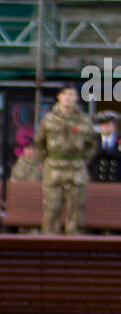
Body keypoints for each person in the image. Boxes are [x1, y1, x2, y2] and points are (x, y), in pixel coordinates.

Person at [34, 82, 98, 235]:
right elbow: (39, 142)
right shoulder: (49, 118)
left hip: (76, 170)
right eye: (65, 94)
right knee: (51, 209)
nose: (68, 98)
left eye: (72, 94)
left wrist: (83, 160)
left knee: (76, 211)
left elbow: (92, 143)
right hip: (53, 170)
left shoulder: (84, 120)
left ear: (76, 98)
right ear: (59, 97)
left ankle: (74, 248)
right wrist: (46, 160)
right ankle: (48, 247)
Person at [89, 111, 121, 182]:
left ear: (115, 125)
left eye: (108, 124)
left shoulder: (119, 139)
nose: (106, 127)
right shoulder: (94, 139)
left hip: (117, 181)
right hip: (97, 180)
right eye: (103, 124)